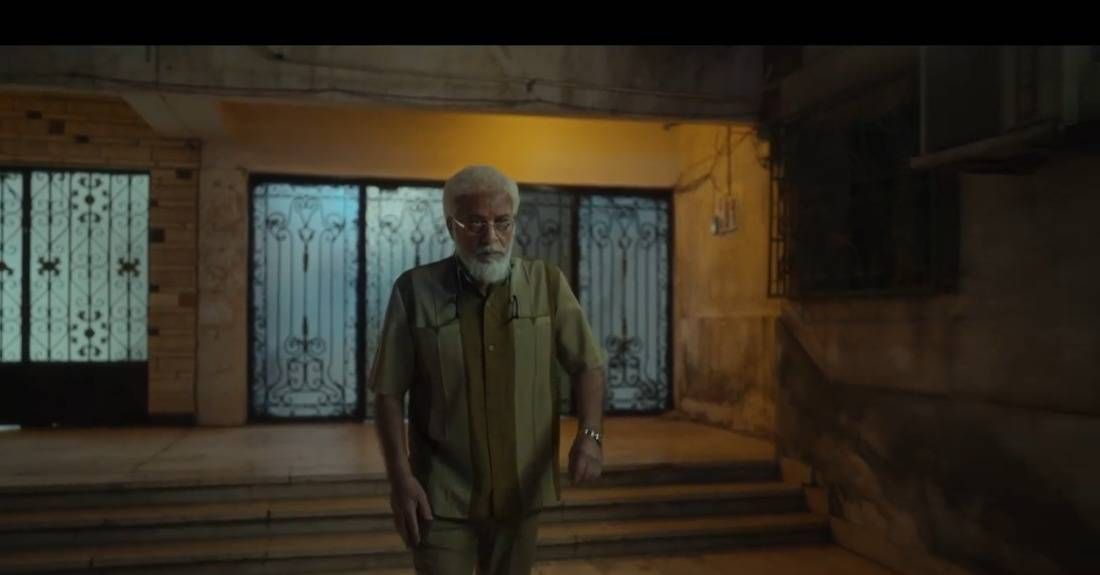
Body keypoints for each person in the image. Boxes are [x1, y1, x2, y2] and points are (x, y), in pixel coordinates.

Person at [370, 165, 607, 574]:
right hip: (440, 496)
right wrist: (400, 478)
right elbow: (388, 392)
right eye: (475, 223)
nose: (490, 237)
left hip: (521, 493)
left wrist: (590, 436)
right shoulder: (415, 292)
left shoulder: (547, 285)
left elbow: (588, 364)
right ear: (451, 226)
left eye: (502, 222)